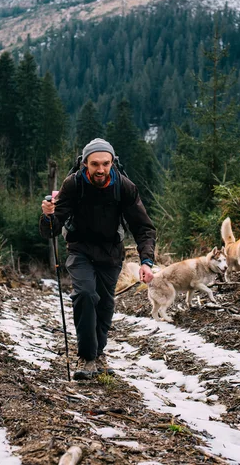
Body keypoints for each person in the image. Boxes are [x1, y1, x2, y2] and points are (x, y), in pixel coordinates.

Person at [40, 138, 155, 380]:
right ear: (85, 164)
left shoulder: (124, 187)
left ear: (112, 163)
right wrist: (48, 216)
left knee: (104, 304)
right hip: (79, 249)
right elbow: (51, 229)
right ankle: (87, 357)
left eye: (105, 163)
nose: (100, 169)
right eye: (94, 164)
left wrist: (146, 261)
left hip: (111, 253)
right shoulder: (74, 184)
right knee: (84, 295)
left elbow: (144, 228)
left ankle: (98, 353)